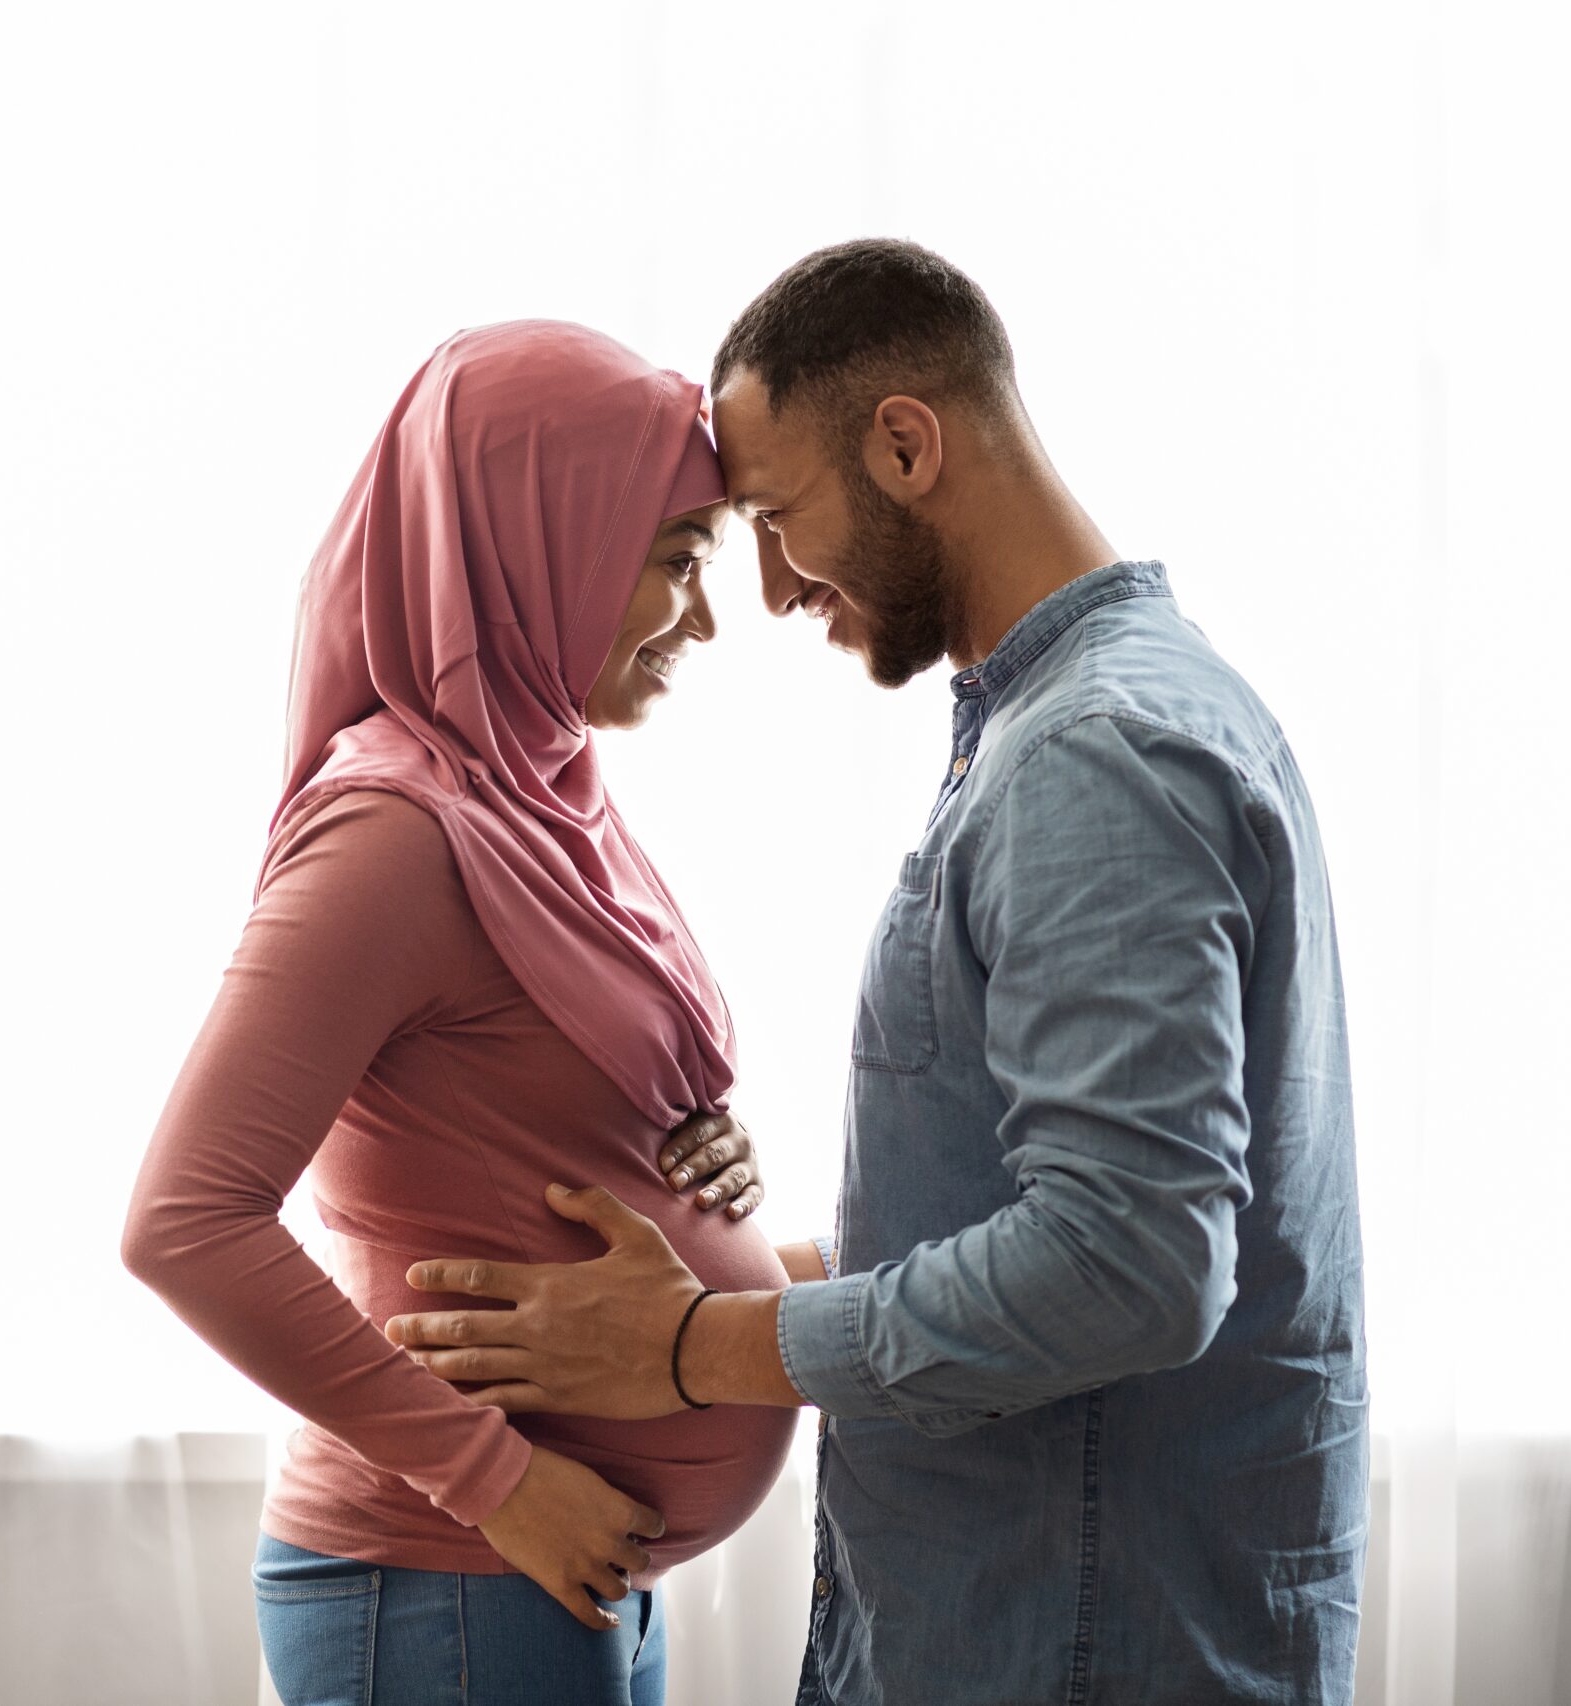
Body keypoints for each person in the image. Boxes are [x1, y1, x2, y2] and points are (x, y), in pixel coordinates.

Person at [383, 241, 1371, 1705]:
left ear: (907, 443)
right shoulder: (1065, 725)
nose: (774, 590)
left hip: (1077, 1648)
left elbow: (1132, 1263)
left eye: (778, 520)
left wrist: (700, 1344)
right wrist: (754, 1260)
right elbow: (1045, 1200)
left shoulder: (1094, 759)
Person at [120, 320, 822, 1706]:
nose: (706, 616)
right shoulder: (392, 830)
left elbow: (524, 1112)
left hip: (548, 1575)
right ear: (541, 537)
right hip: (448, 1576)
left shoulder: (542, 796)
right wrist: (499, 1480)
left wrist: (701, 1155)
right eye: (679, 559)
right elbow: (183, 1222)